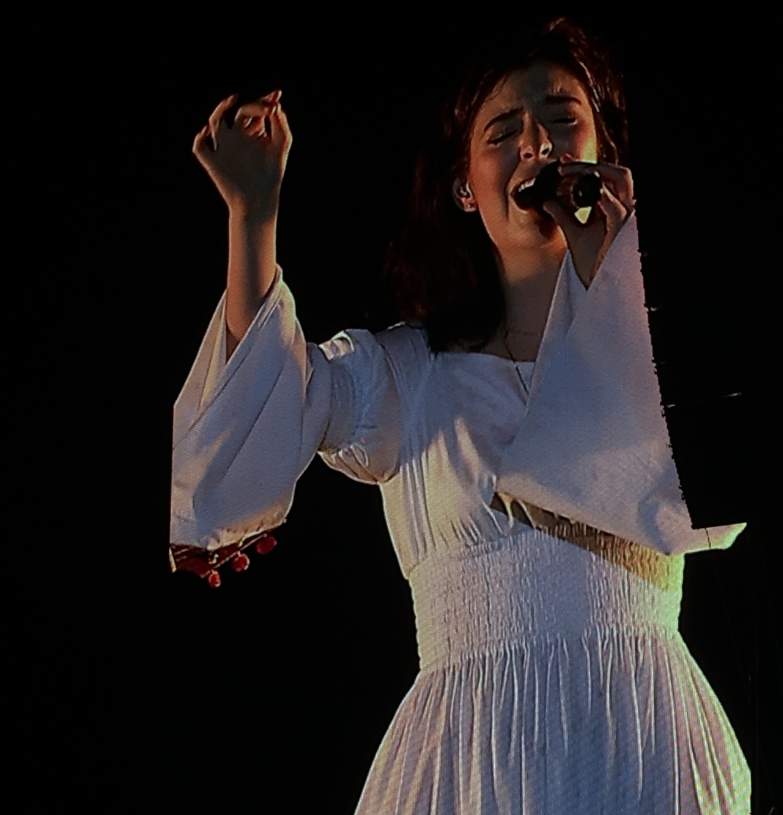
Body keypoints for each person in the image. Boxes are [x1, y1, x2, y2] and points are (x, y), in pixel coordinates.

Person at [174, 16, 751, 814]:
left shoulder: (664, 349)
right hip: (473, 756)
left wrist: (610, 282)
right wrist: (253, 213)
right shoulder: (408, 376)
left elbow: (717, 499)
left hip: (646, 747)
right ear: (465, 187)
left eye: (562, 118)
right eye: (504, 131)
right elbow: (261, 411)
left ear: (606, 152)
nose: (537, 144)